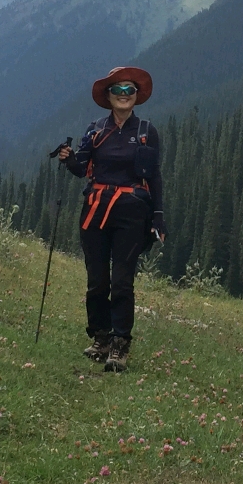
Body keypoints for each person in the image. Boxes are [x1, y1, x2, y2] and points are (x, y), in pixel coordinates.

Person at [57, 66, 164, 374]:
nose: (124, 95)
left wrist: (158, 217)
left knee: (121, 281)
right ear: (108, 95)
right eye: (118, 90)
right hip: (96, 210)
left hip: (132, 213)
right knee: (97, 281)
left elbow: (154, 177)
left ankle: (120, 344)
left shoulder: (146, 131)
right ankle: (100, 337)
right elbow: (81, 168)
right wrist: (69, 158)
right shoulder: (95, 130)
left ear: (137, 96)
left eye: (130, 90)